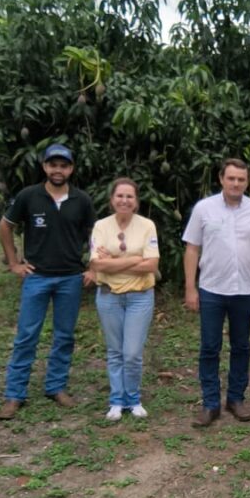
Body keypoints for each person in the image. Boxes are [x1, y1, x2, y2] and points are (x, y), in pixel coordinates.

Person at [0, 144, 96, 420]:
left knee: (64, 336)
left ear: (71, 169)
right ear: (44, 167)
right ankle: (14, 394)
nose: (58, 170)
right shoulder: (29, 196)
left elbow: (94, 235)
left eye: (63, 165)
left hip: (70, 278)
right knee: (27, 335)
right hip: (37, 277)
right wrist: (14, 261)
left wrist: (93, 266)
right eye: (53, 165)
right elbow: (5, 226)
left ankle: (56, 386)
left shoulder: (82, 200)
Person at [183, 158, 250, 427]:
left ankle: (236, 398)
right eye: (231, 178)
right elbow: (191, 249)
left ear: (247, 182)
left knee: (241, 346)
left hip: (245, 290)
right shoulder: (204, 209)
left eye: (241, 179)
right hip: (211, 289)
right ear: (221, 179)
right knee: (210, 347)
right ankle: (210, 403)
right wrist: (190, 288)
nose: (236, 183)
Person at [89, 178, 160, 421]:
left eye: (130, 196)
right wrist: (135, 259)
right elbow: (96, 263)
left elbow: (151, 264)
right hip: (109, 295)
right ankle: (117, 401)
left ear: (136, 202)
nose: (124, 200)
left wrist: (113, 262)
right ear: (112, 199)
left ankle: (133, 398)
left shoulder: (147, 225)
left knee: (132, 352)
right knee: (115, 351)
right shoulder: (101, 226)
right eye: (120, 196)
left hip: (140, 296)